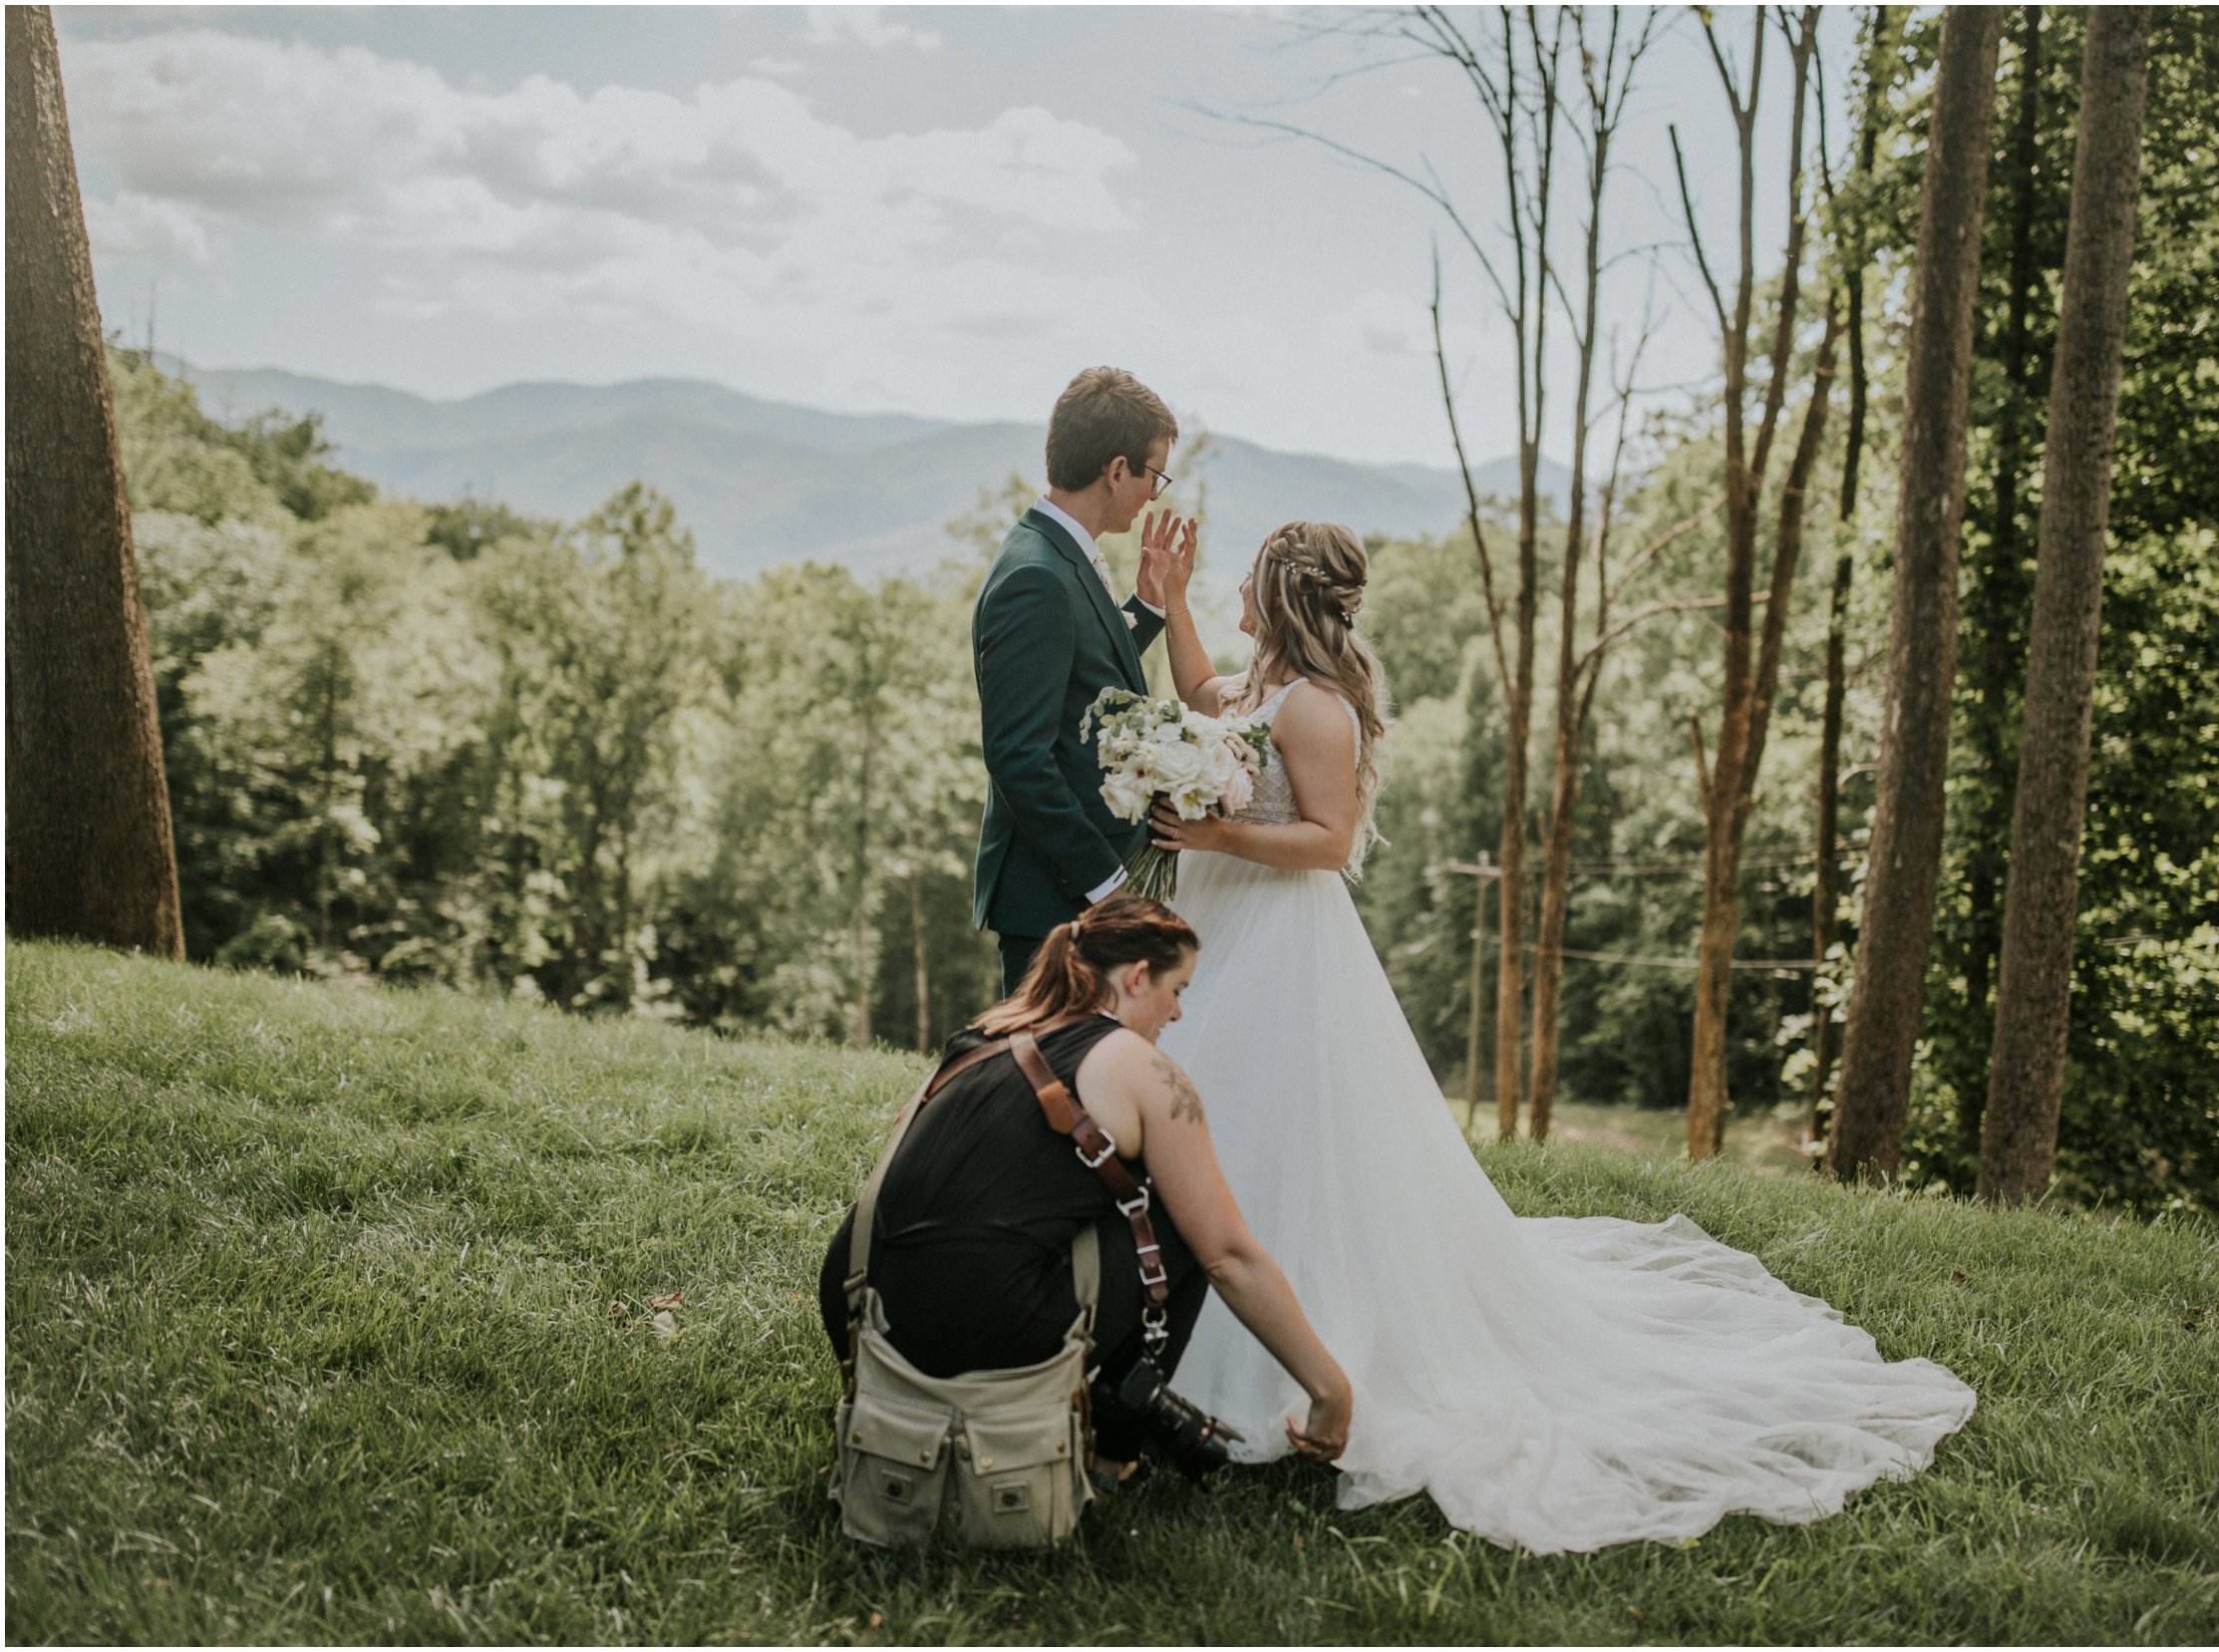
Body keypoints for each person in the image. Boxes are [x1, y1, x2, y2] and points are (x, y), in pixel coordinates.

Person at [1139, 519, 1979, 1554]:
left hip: (1276, 941)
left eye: (1242, 576)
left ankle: (1276, 1346)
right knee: (1217, 1112)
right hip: (1220, 928)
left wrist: (1215, 833)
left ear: (1281, 594)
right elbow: (1200, 706)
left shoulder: (1316, 708)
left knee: (1272, 1128)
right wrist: (1167, 600)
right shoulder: (1261, 689)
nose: (1231, 585)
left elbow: (1330, 840)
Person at [819, 896, 1351, 1483]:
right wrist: (1330, 1390)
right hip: (984, 1327)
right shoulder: (1136, 1063)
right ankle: (1110, 1457)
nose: (1176, 1012)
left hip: (861, 1307)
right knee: (1183, 1226)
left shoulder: (982, 1037)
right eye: (1179, 989)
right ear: (1138, 976)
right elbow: (1229, 1257)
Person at [971, 366, 1189, 995]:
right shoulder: (1035, 577)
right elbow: (1018, 757)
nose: (1154, 492)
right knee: (1044, 1083)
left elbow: (1080, 679)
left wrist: (1144, 610)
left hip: (1069, 894)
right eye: (1154, 472)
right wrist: (1108, 887)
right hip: (1052, 900)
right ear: (1117, 470)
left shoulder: (1054, 554)